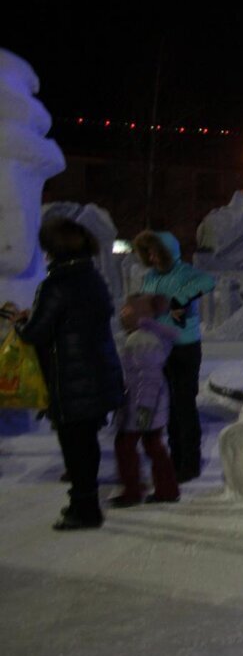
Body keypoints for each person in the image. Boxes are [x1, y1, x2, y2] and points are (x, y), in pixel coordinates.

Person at [5, 218, 124, 530]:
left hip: (71, 380)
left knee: (75, 447)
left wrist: (20, 323)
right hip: (95, 374)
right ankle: (86, 502)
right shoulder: (91, 277)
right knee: (86, 443)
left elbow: (35, 334)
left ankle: (83, 508)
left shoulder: (57, 283)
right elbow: (75, 320)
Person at [132, 230, 215, 482]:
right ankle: (176, 459)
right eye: (149, 253)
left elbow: (207, 281)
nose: (153, 257)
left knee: (184, 406)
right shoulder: (150, 278)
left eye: (157, 252)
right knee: (168, 408)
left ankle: (190, 462)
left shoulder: (184, 272)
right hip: (159, 347)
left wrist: (181, 299)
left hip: (183, 347)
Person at [109, 294, 181, 507]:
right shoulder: (148, 336)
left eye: (127, 309)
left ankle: (133, 491)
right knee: (153, 445)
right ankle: (166, 489)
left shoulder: (141, 339)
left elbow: (148, 379)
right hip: (148, 405)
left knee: (125, 446)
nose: (122, 312)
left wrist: (143, 410)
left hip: (142, 406)